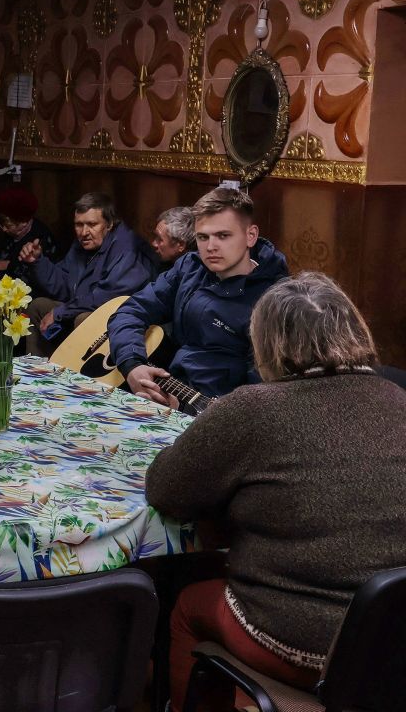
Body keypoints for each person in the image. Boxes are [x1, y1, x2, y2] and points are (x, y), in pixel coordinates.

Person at [147, 271, 406, 711]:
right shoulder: (398, 397)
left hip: (308, 643)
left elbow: (167, 490)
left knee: (188, 603)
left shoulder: (252, 408)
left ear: (267, 343)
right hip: (395, 636)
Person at [111, 188, 288, 405]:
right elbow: (131, 311)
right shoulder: (190, 267)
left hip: (214, 413)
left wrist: (184, 407)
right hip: (167, 387)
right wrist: (132, 365)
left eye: (223, 235)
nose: (211, 247)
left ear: (250, 236)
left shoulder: (276, 299)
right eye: (203, 237)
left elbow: (261, 395)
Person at [18, 192, 153, 356]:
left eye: (92, 224)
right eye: (79, 225)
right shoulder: (82, 245)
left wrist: (60, 312)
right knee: (38, 306)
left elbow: (105, 298)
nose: (84, 232)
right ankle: (38, 373)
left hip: (121, 320)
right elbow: (64, 286)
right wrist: (37, 262)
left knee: (84, 319)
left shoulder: (126, 248)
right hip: (81, 308)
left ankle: (77, 378)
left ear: (109, 224)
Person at [150, 205, 195, 271]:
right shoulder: (162, 268)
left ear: (181, 245)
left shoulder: (193, 277)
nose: (154, 244)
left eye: (160, 239)